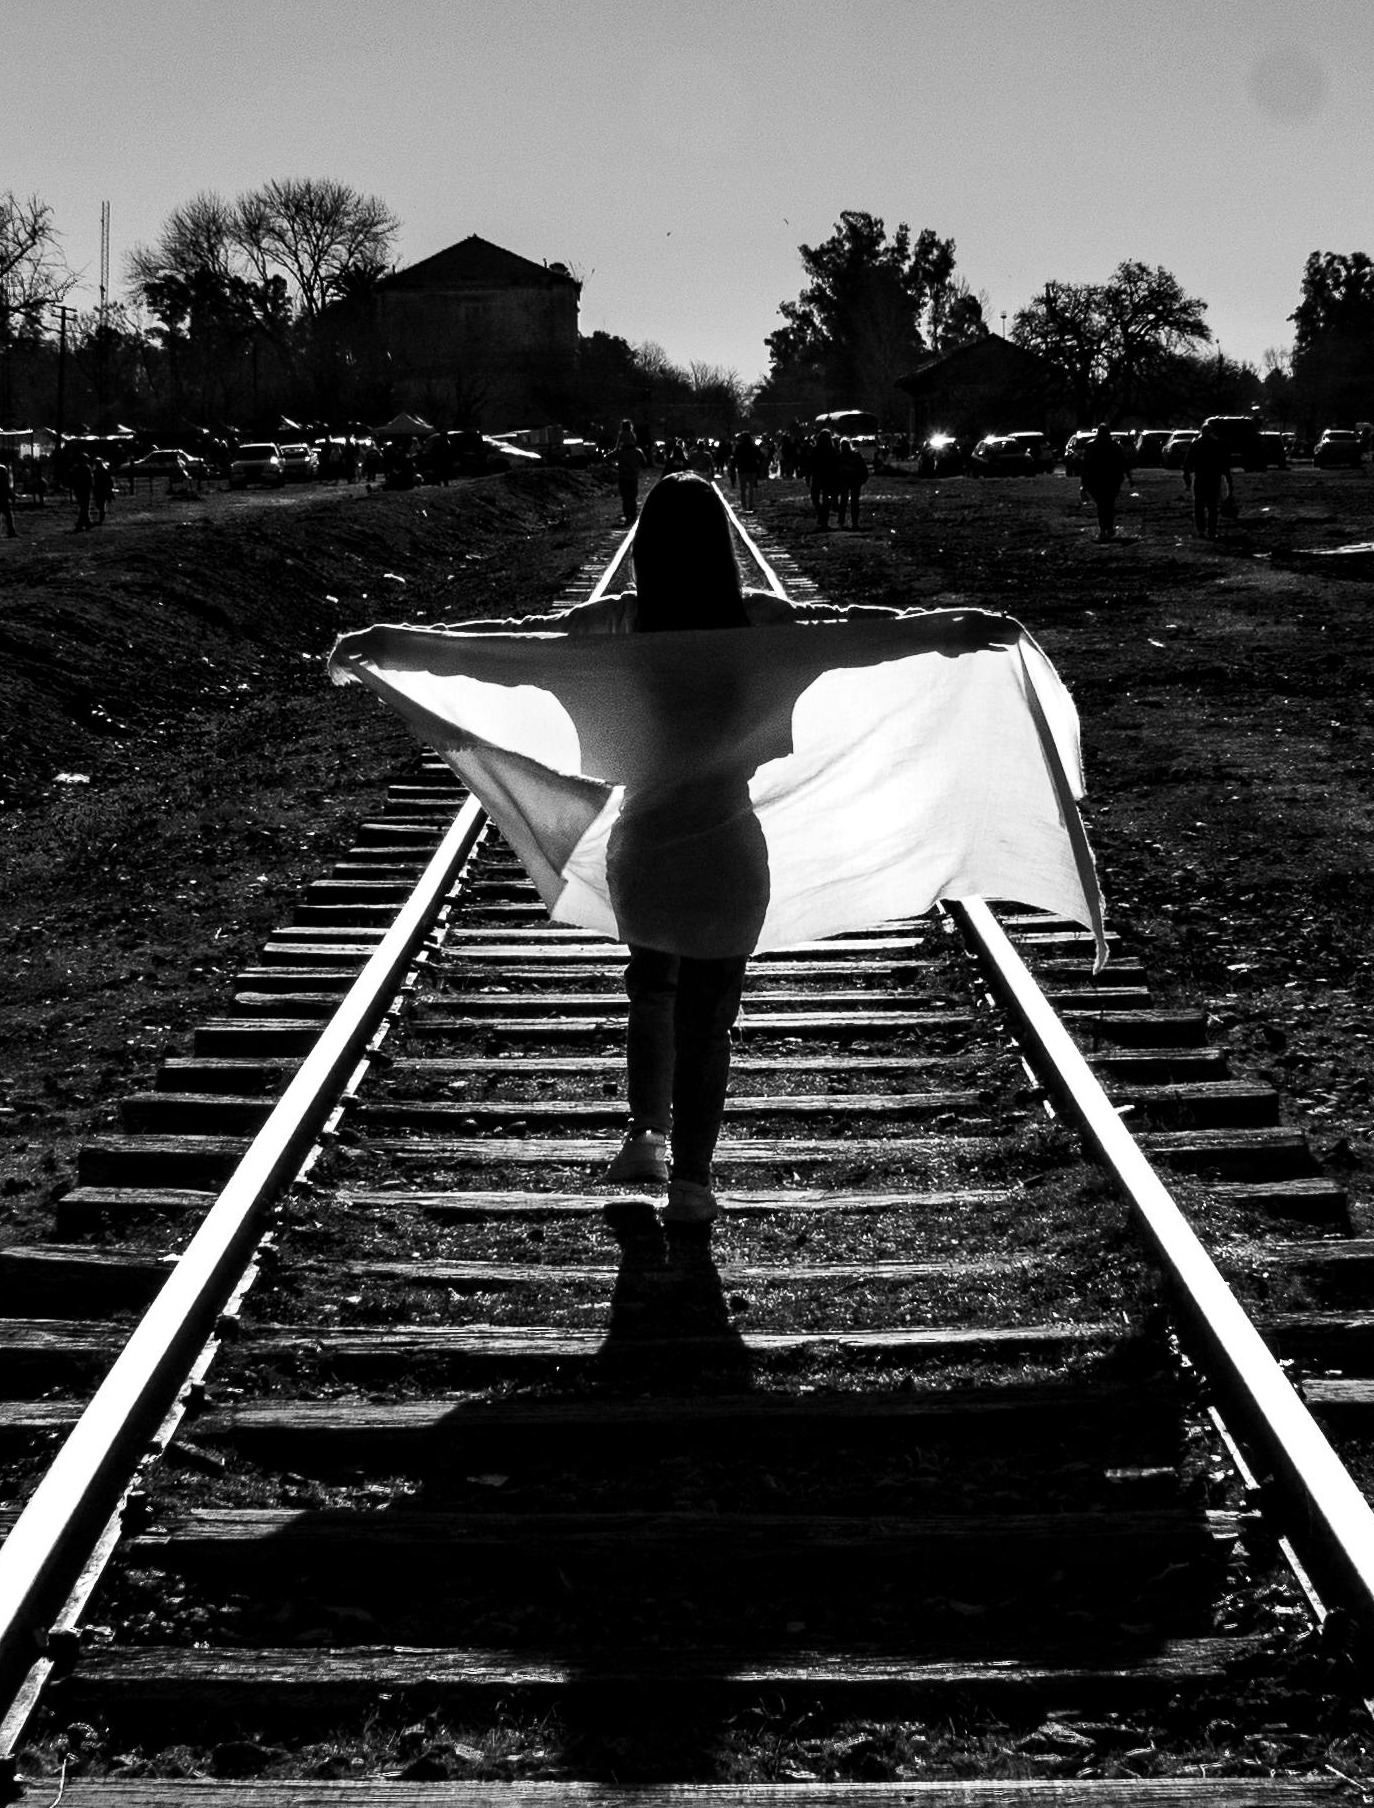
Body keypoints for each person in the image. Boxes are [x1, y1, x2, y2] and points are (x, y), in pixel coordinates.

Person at [333, 475, 1093, 1239]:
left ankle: (645, 1135)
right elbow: (856, 634)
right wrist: (952, 627)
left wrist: (395, 645)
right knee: (708, 1020)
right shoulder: (759, 622)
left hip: (644, 847)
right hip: (728, 847)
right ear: (722, 543)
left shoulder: (616, 623)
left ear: (645, 546)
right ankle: (692, 1184)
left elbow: (508, 647)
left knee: (650, 986)